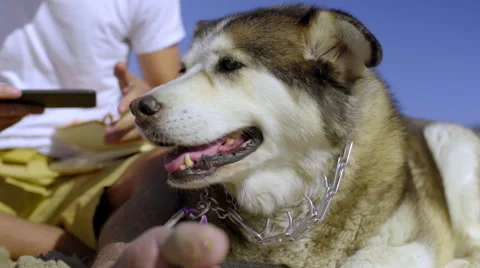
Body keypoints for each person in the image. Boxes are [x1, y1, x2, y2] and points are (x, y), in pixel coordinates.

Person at [0, 0, 184, 260]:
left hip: (102, 159)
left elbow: (172, 95)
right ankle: (85, 251)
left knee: (163, 170)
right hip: (5, 159)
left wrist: (147, 101)